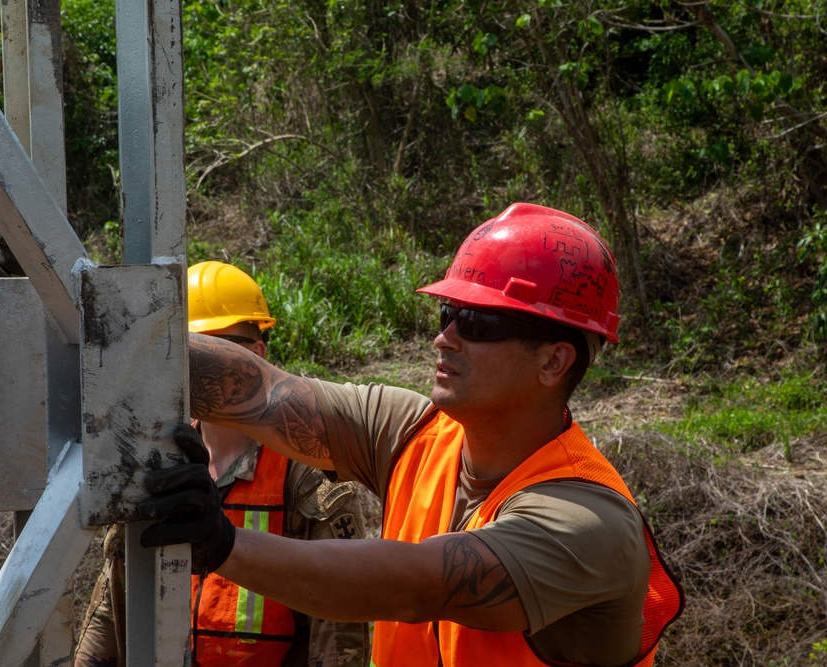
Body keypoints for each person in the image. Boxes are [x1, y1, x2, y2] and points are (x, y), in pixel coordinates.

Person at [135, 203, 685, 667]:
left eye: (477, 323)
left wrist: (222, 543)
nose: (444, 338)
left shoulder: (589, 521)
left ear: (553, 361)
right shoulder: (414, 433)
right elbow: (265, 392)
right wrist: (118, 348)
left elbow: (421, 584)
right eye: (448, 312)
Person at [75, 261, 371, 667]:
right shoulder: (152, 463)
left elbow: (339, 628)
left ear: (256, 356)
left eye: (214, 349)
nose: (196, 366)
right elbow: (112, 603)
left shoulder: (308, 478)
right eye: (185, 351)